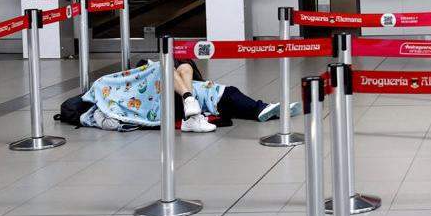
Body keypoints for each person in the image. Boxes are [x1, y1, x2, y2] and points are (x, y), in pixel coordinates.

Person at [79, 59, 295, 133]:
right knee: (229, 94)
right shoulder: (101, 108)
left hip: (191, 96)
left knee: (185, 67)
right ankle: (261, 108)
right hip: (172, 100)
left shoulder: (177, 72)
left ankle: (189, 99)